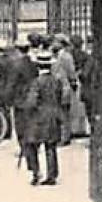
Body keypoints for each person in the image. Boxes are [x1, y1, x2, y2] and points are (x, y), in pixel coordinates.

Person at [23, 50, 70, 185]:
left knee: (32, 145)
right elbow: (60, 97)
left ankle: (36, 172)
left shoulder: (36, 82)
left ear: (38, 66)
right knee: (51, 147)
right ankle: (52, 175)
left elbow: (32, 101)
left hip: (38, 117)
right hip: (53, 115)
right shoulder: (56, 81)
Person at [6, 37, 39, 153]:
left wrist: (8, 99)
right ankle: (32, 147)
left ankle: (24, 148)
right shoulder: (33, 64)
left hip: (20, 99)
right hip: (32, 97)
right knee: (30, 123)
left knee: (20, 125)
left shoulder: (16, 65)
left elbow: (12, 84)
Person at [53, 36, 82, 145]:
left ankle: (65, 137)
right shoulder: (57, 55)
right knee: (59, 112)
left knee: (64, 113)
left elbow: (71, 72)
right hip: (57, 87)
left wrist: (73, 81)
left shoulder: (65, 56)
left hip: (64, 87)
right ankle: (61, 135)